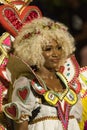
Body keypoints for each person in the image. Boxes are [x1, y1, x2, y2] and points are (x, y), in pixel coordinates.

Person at [3, 17, 82, 130]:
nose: (56, 54)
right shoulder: (26, 82)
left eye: (59, 48)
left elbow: (76, 121)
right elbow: (21, 126)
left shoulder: (71, 82)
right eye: (48, 49)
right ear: (35, 51)